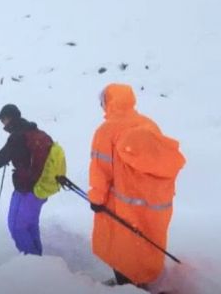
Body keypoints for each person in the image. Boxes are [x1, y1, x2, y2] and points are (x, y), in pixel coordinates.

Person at [89, 84, 185, 288]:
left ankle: (128, 287)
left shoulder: (106, 131)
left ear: (108, 102)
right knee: (145, 244)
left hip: (122, 202)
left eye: (102, 102)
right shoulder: (148, 123)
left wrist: (96, 199)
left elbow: (101, 171)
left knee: (122, 247)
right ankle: (141, 283)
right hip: (154, 202)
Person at [0, 104, 50, 256]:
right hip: (42, 187)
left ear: (10, 118)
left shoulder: (17, 137)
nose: (2, 123)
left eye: (3, 119)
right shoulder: (33, 131)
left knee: (16, 226)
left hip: (26, 189)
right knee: (30, 225)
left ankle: (32, 263)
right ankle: (38, 260)